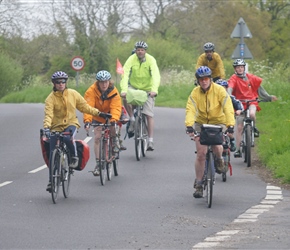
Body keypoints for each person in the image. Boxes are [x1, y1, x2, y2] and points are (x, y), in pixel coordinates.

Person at [43, 71, 104, 192]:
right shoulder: (50, 99)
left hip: (71, 124)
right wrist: (46, 127)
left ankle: (74, 157)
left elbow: (84, 107)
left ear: (66, 83)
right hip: (55, 126)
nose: (61, 84)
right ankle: (51, 181)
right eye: (58, 82)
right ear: (54, 84)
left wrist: (99, 113)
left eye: (63, 82)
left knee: (67, 137)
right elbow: (48, 114)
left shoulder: (73, 94)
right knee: (52, 153)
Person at [185, 66, 235, 198]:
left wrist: (230, 125)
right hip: (201, 123)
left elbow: (228, 107)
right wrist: (189, 125)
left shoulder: (219, 91)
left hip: (218, 122)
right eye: (201, 79)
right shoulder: (195, 93)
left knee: (217, 145)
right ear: (198, 81)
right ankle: (199, 183)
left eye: (206, 78)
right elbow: (190, 109)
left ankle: (219, 160)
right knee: (201, 153)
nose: (204, 81)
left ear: (211, 79)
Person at [227, 59, 278, 158]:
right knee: (240, 127)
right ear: (235, 69)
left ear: (244, 68)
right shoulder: (233, 78)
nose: (240, 69)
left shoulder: (251, 77)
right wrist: (229, 96)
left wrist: (269, 97)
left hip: (252, 101)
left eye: (242, 67)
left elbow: (260, 90)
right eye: (238, 67)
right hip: (240, 103)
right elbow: (230, 87)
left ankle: (253, 128)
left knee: (252, 114)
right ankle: (238, 149)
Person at [120, 40, 161, 151]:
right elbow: (125, 74)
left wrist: (154, 90)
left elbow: (156, 75)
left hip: (147, 89)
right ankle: (132, 119)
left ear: (145, 51)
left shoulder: (151, 60)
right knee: (125, 97)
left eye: (142, 50)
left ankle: (150, 141)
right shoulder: (131, 59)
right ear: (136, 51)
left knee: (149, 115)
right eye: (138, 50)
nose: (140, 52)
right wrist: (124, 90)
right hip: (134, 87)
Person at [83, 70, 122, 176]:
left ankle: (114, 141)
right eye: (101, 82)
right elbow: (88, 107)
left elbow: (116, 107)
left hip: (110, 115)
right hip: (98, 115)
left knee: (113, 126)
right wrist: (87, 121)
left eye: (106, 82)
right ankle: (98, 164)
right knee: (97, 137)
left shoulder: (114, 91)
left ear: (109, 81)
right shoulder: (91, 91)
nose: (104, 84)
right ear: (97, 82)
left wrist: (113, 120)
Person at [216, 79, 244, 152]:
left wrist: (239, 110)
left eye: (223, 87)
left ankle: (232, 140)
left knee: (228, 132)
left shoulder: (230, 97)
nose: (221, 89)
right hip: (216, 119)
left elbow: (238, 103)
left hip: (227, 119)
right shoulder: (213, 98)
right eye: (219, 87)